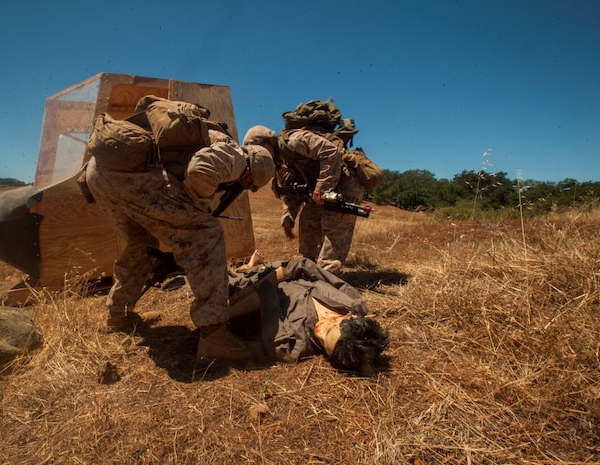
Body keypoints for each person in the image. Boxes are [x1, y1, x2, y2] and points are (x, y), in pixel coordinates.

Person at [85, 123, 275, 361]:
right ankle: (215, 337)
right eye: (249, 184)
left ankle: (118, 314)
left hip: (100, 172)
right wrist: (196, 211)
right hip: (130, 174)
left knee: (141, 240)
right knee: (205, 232)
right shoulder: (237, 156)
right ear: (253, 173)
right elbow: (201, 170)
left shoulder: (212, 138)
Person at [227, 251, 390, 375]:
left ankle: (250, 269)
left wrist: (269, 276)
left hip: (263, 288)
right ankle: (254, 268)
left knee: (231, 287)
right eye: (328, 329)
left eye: (324, 344)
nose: (319, 332)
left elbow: (266, 297)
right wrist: (286, 271)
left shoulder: (290, 347)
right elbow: (311, 268)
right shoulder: (354, 304)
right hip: (289, 272)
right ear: (348, 317)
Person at [243, 120, 363, 274]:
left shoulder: (295, 140)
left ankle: (329, 278)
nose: (260, 155)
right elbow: (289, 192)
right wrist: (288, 217)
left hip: (346, 185)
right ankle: (310, 268)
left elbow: (331, 152)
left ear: (270, 141)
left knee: (333, 228)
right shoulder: (279, 164)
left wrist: (322, 188)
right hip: (320, 192)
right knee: (308, 220)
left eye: (260, 150)